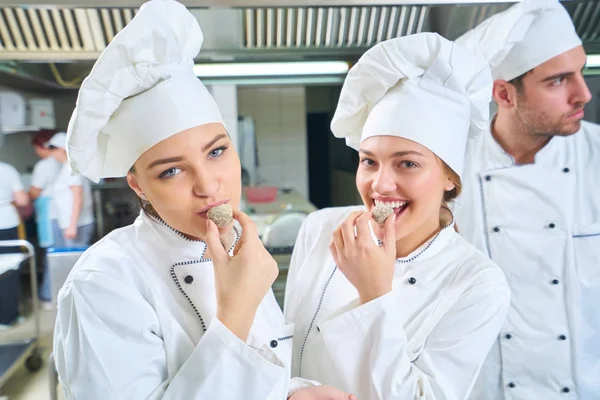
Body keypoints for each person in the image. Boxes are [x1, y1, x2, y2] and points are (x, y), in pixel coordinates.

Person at [53, 1, 352, 399]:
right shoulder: (105, 284)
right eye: (171, 171)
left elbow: (256, 373)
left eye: (216, 152)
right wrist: (235, 313)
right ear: (138, 185)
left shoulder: (232, 248)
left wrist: (293, 393)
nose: (209, 186)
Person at [284, 32, 511, 400]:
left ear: (450, 178)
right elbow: (284, 353)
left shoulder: (478, 283)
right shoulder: (320, 228)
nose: (381, 184)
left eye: (407, 163)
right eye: (369, 161)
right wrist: (293, 393)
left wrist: (374, 294)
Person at [453, 0, 600, 398]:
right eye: (558, 81)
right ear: (504, 94)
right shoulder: (448, 172)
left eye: (581, 73)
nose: (582, 94)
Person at [46, 132, 94, 249]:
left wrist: (72, 225)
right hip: (71, 223)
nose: (52, 153)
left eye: (53, 149)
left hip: (78, 224)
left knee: (74, 259)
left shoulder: (71, 169)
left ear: (62, 149)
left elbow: (78, 197)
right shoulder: (66, 167)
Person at [0, 158, 29, 325]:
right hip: (6, 222)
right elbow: (23, 200)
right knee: (8, 268)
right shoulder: (7, 169)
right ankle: (7, 318)